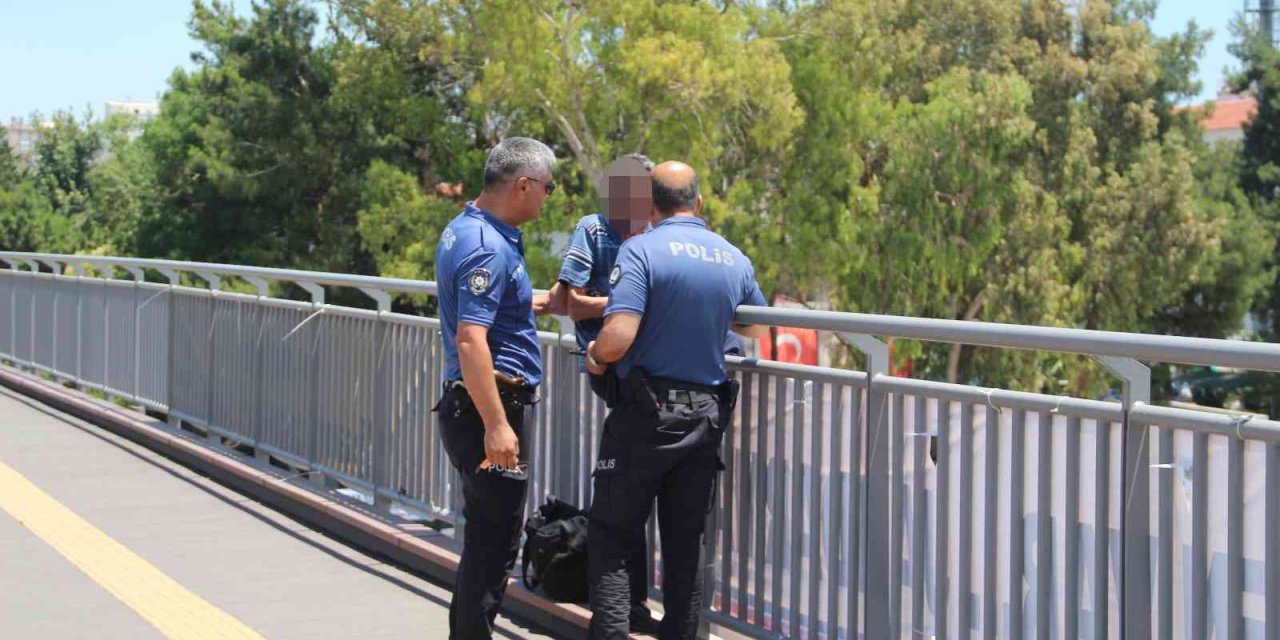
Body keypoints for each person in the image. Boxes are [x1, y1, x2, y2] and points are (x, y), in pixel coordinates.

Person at [583, 161, 769, 639]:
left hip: (644, 416)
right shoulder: (733, 258)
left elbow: (618, 335)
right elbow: (754, 324)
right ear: (699, 202)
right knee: (687, 546)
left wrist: (596, 357)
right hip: (705, 416)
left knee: (614, 537)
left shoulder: (641, 250)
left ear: (649, 204)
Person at [432, 137, 557, 639]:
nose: (548, 198)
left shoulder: (469, 228)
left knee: (486, 538)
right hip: (490, 406)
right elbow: (470, 340)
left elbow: (482, 312)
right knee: (495, 544)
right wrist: (498, 425)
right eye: (547, 188)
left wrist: (529, 301)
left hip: (474, 403)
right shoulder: (488, 247)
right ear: (522, 185)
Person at [552, 154, 660, 633]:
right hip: (612, 368)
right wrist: (625, 306)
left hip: (657, 375)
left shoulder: (661, 232)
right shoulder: (594, 231)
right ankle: (622, 607)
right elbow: (566, 302)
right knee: (623, 500)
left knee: (643, 494)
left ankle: (634, 605)